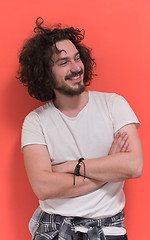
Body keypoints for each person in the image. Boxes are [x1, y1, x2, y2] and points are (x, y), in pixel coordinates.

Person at [18, 17, 143, 240]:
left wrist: (69, 166)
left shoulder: (113, 104)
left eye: (77, 58)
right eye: (63, 62)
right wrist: (108, 169)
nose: (76, 68)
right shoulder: (35, 121)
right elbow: (43, 186)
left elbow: (133, 166)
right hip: (54, 230)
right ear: (46, 74)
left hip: (109, 229)